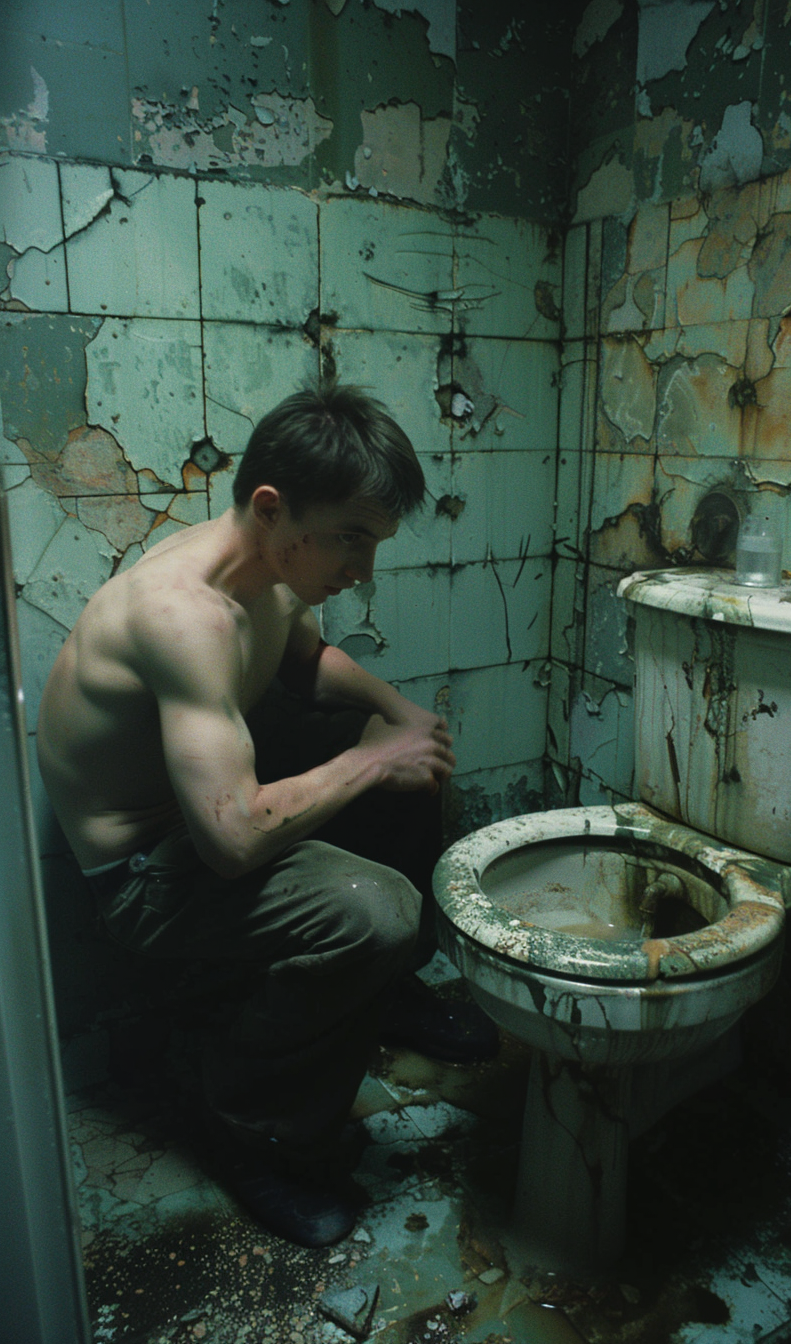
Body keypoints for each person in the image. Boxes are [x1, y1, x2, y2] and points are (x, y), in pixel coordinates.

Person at [37, 380, 498, 1247]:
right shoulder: (183, 618)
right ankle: (247, 1127)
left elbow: (303, 665)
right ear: (271, 506)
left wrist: (399, 726)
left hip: (201, 818)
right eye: (351, 540)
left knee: (405, 758)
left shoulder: (272, 569)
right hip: (145, 873)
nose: (362, 571)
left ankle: (386, 993)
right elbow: (234, 839)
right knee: (378, 910)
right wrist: (367, 761)